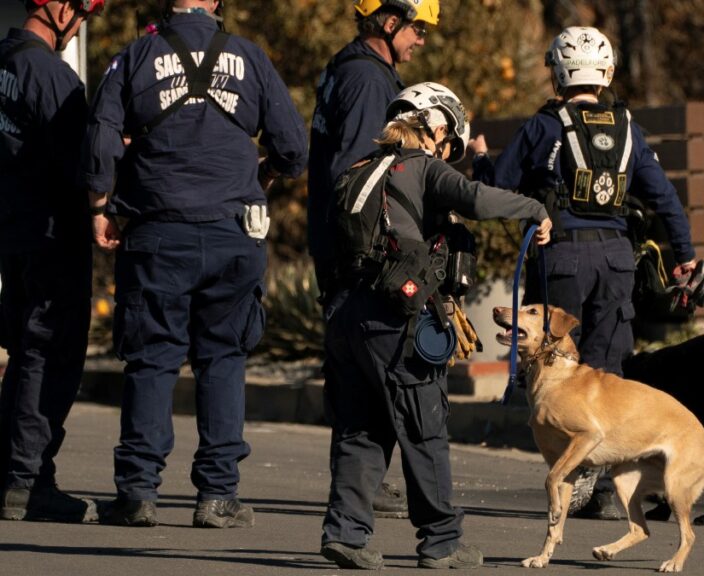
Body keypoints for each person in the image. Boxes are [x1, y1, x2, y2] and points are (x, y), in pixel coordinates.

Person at [80, 0, 307, 527]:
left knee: (152, 358)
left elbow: (101, 136)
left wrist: (99, 206)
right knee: (223, 358)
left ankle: (138, 493)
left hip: (157, 232)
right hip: (233, 232)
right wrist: (266, 172)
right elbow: (294, 147)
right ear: (217, 4)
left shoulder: (135, 56)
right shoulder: (250, 56)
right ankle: (217, 495)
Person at [319, 82, 551, 570]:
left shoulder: (355, 171)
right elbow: (477, 200)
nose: (448, 156)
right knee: (424, 429)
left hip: (345, 319)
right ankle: (441, 542)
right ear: (437, 128)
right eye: (450, 146)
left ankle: (346, 534)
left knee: (361, 429)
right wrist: (533, 208)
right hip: (395, 321)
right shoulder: (421, 166)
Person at [470, 26, 698, 520]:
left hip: (561, 259)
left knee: (555, 370)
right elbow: (664, 197)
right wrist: (684, 254)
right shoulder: (629, 128)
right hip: (616, 261)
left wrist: (481, 158)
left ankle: (570, 479)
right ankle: (609, 492)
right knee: (607, 374)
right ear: (607, 73)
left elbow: (497, 187)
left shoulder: (543, 125)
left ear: (557, 74)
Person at [308, 0, 439, 518]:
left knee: (354, 366)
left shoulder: (350, 67)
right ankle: (361, 486)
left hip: (339, 247)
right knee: (368, 371)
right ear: (389, 22)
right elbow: (359, 172)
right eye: (417, 28)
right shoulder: (367, 80)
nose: (421, 39)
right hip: (357, 254)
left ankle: (360, 484)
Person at [0, 0, 106, 524]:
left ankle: (10, 474)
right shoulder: (51, 74)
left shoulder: (3, 61)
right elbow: (80, 161)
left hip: (13, 231)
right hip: (52, 234)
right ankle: (27, 481)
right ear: (59, 7)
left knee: (25, 351)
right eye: (83, 12)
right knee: (50, 353)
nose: (81, 24)